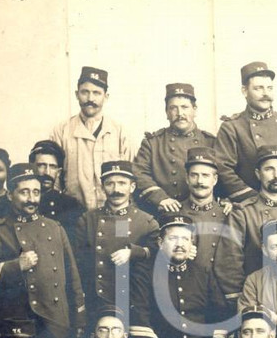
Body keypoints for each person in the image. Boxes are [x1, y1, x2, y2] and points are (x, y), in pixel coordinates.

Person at [0, 163, 87, 338]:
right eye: (24, 192)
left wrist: (79, 318)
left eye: (36, 192)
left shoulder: (55, 228)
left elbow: (73, 276)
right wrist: (16, 266)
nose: (32, 199)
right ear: (10, 195)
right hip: (16, 322)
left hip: (54, 322)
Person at [127, 214, 233, 338]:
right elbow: (138, 317)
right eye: (173, 238)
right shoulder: (144, 273)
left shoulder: (202, 272)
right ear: (160, 242)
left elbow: (221, 315)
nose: (180, 244)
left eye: (185, 239)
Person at [214, 145, 277, 302]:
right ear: (258, 174)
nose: (276, 175)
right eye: (269, 169)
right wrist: (244, 299)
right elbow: (229, 262)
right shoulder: (243, 213)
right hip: (257, 298)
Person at [73, 160, 159, 313]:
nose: (116, 189)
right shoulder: (88, 220)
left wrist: (134, 252)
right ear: (102, 187)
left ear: (132, 187)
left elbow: (158, 253)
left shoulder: (146, 222)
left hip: (132, 301)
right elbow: (78, 261)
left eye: (122, 183)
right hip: (96, 300)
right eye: (110, 183)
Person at [215, 61, 277, 204]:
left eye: (269, 88)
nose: (266, 94)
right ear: (244, 91)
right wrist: (252, 199)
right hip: (250, 206)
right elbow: (223, 169)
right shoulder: (232, 127)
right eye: (258, 88)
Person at [50, 66, 132, 210]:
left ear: (106, 96)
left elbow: (132, 176)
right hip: (74, 215)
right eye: (85, 92)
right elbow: (54, 177)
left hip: (115, 213)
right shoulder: (62, 130)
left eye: (96, 93)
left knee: (121, 233)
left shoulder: (120, 132)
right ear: (77, 94)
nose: (90, 99)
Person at [133, 83, 217, 215]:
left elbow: (222, 175)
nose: (180, 114)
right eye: (173, 108)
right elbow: (139, 173)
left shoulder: (210, 142)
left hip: (202, 212)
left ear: (194, 110)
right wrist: (160, 198)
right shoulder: (153, 143)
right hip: (163, 211)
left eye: (185, 107)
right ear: (167, 113)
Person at [176, 147, 230, 275]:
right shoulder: (175, 214)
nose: (200, 181)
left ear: (215, 180)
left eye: (205, 175)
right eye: (194, 175)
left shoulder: (228, 213)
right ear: (187, 178)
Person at [29, 140, 84, 234]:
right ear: (31, 168)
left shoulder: (70, 205)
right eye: (42, 165)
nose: (47, 172)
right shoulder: (17, 201)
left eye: (52, 167)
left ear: (58, 172)